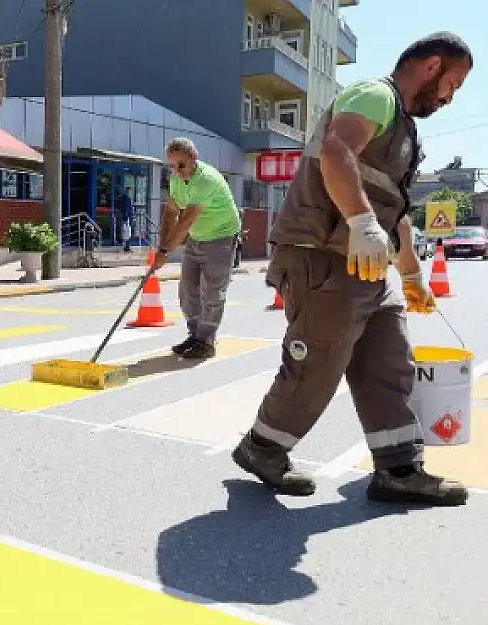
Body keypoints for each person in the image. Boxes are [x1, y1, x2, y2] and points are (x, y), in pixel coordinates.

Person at [232, 32, 474, 506]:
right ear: (431, 66)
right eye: (455, 83)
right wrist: (362, 222)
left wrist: (409, 274)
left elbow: (395, 210)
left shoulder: (404, 129)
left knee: (389, 362)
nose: (451, 97)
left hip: (364, 264)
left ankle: (399, 469)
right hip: (321, 251)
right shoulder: (374, 95)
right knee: (318, 361)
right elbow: (335, 150)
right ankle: (263, 448)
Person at [153, 137, 242, 359]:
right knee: (187, 290)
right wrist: (161, 247)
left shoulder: (206, 180)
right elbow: (171, 213)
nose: (176, 171)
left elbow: (185, 221)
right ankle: (196, 336)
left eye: (181, 165)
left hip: (221, 237)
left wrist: (165, 253)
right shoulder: (176, 180)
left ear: (194, 159)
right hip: (197, 237)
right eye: (172, 166)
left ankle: (207, 341)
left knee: (212, 290)